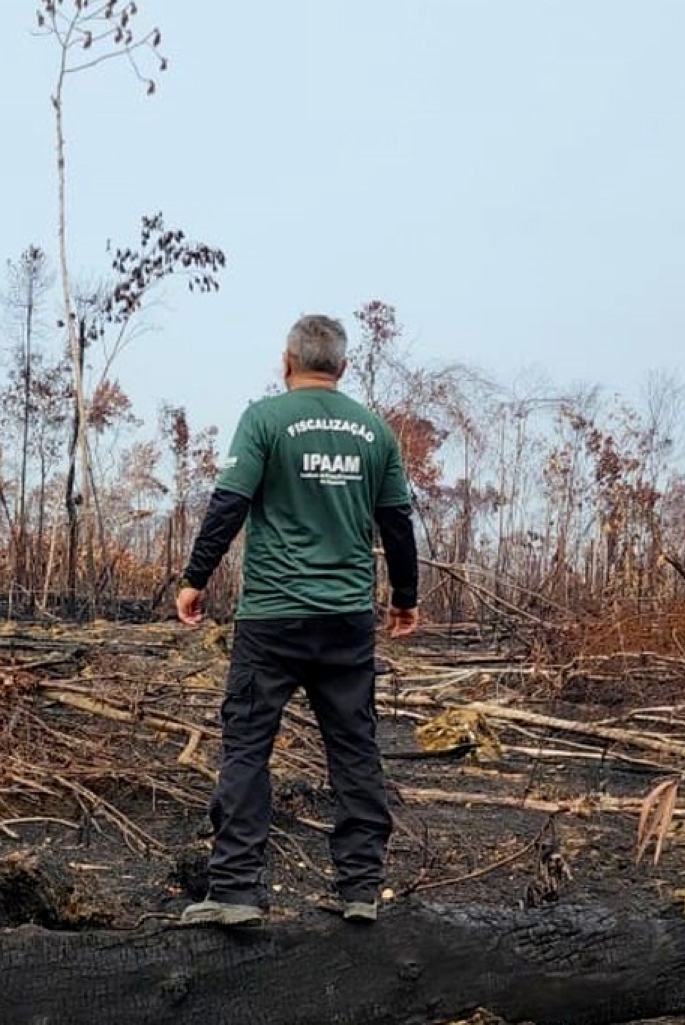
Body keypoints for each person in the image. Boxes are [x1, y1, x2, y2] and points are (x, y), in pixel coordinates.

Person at [175, 313, 421, 927]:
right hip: (345, 619)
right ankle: (361, 888)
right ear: (342, 366)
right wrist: (405, 595)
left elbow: (228, 504)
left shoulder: (264, 420)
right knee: (355, 747)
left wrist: (194, 579)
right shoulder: (374, 432)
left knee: (248, 748)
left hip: (273, 618)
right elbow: (396, 521)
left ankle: (234, 892)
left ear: (286, 363)